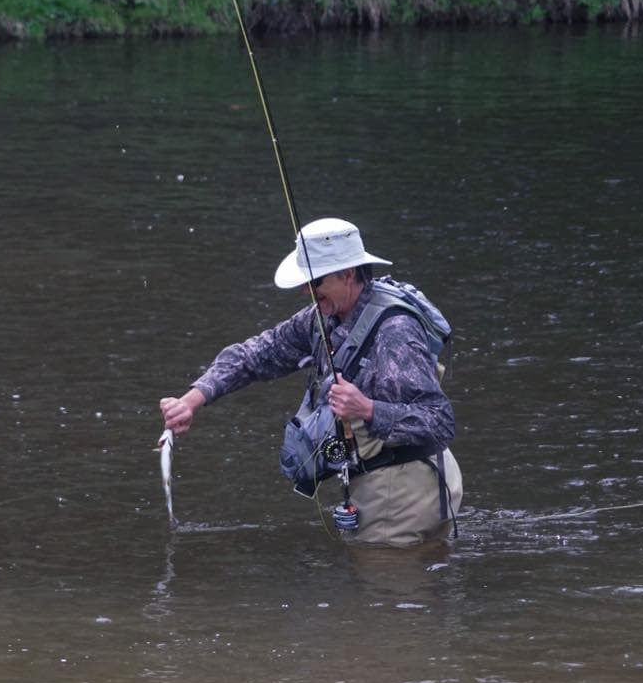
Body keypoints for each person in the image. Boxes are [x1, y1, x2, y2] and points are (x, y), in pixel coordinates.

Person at [159, 218, 462, 546]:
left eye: (315, 280)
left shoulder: (395, 332)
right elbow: (255, 355)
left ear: (348, 275)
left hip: (404, 490)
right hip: (395, 485)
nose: (306, 291)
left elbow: (440, 420)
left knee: (380, 587)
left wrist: (368, 408)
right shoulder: (323, 318)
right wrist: (192, 400)